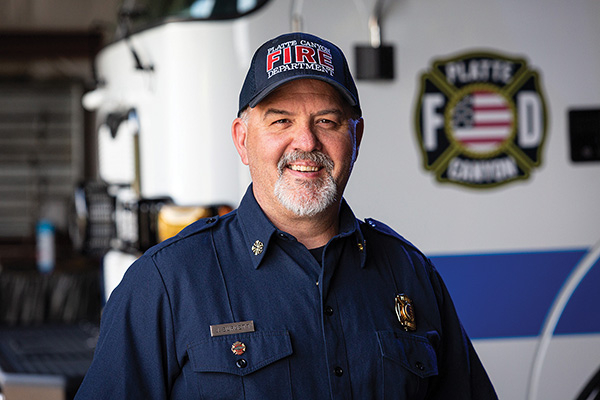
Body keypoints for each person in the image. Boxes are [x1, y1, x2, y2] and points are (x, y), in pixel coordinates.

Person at [75, 32, 497, 399]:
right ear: (242, 140)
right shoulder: (165, 284)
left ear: (356, 137)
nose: (306, 141)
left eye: (327, 121)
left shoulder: (410, 273)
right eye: (280, 121)